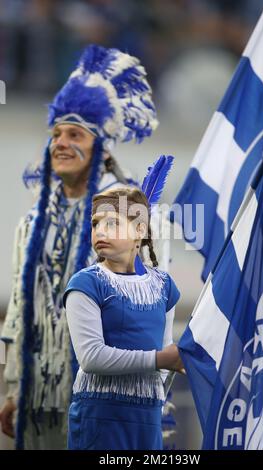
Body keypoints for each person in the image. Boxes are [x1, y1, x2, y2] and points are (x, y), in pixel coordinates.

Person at [0, 44, 169, 450]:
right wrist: (11, 386)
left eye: (74, 134)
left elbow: (144, 307)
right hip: (39, 394)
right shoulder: (33, 221)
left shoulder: (129, 216)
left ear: (101, 148)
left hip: (106, 398)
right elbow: (20, 311)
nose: (60, 142)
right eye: (56, 133)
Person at [63, 185, 184, 450]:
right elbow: (91, 357)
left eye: (112, 223)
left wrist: (163, 366)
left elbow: (165, 354)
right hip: (100, 414)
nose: (100, 231)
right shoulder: (86, 283)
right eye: (96, 224)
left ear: (139, 230)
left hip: (148, 416)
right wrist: (158, 359)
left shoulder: (164, 285)